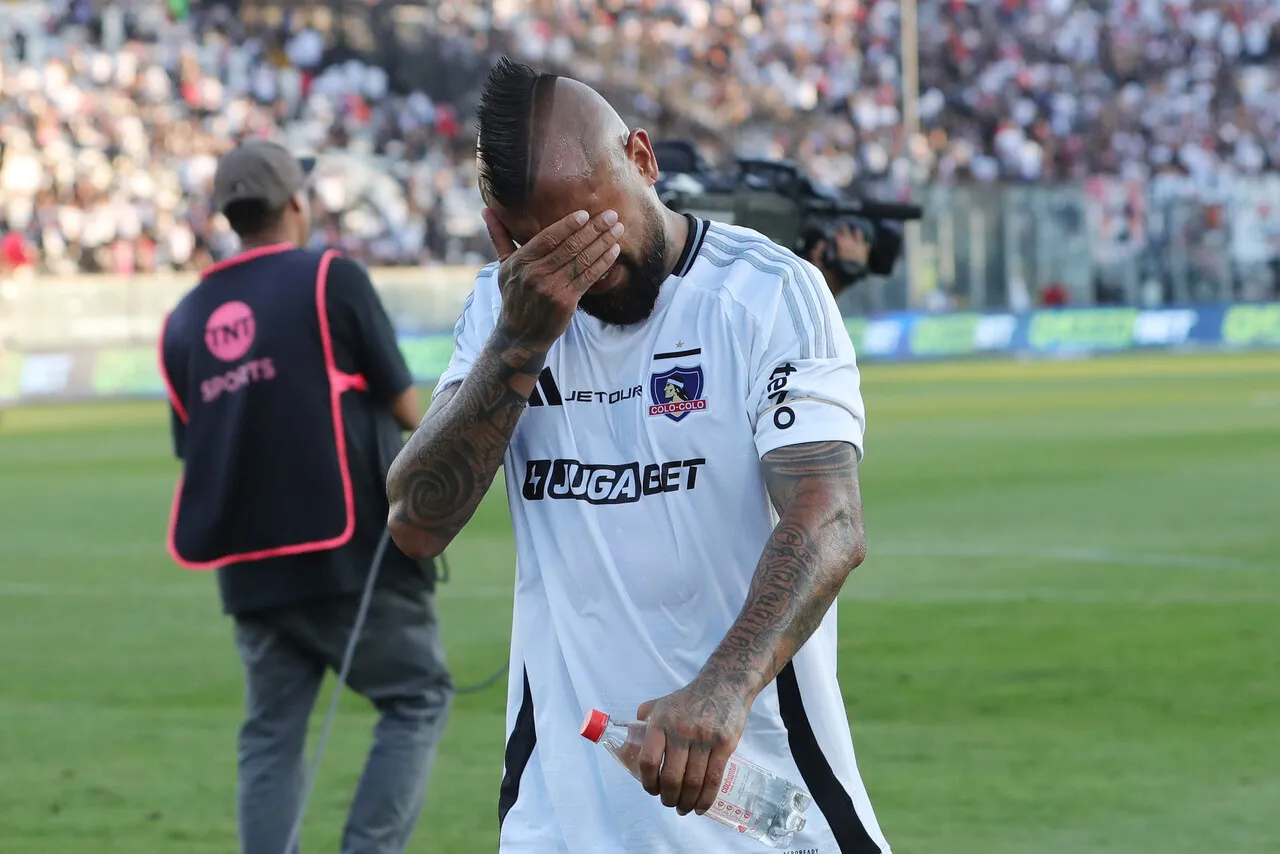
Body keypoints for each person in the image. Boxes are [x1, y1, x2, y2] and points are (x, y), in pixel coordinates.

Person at [387, 58, 892, 854]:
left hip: (760, 809)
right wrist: (520, 338)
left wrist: (723, 688)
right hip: (562, 822)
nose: (591, 269)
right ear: (504, 234)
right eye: (552, 248)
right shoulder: (504, 310)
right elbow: (415, 523)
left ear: (643, 160)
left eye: (600, 226)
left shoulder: (766, 292)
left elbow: (829, 520)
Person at [158, 138, 453, 854]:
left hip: (248, 568)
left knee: (270, 737)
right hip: (348, 553)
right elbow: (409, 408)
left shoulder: (186, 316)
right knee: (417, 697)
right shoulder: (331, 278)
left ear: (229, 216)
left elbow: (188, 444)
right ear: (296, 202)